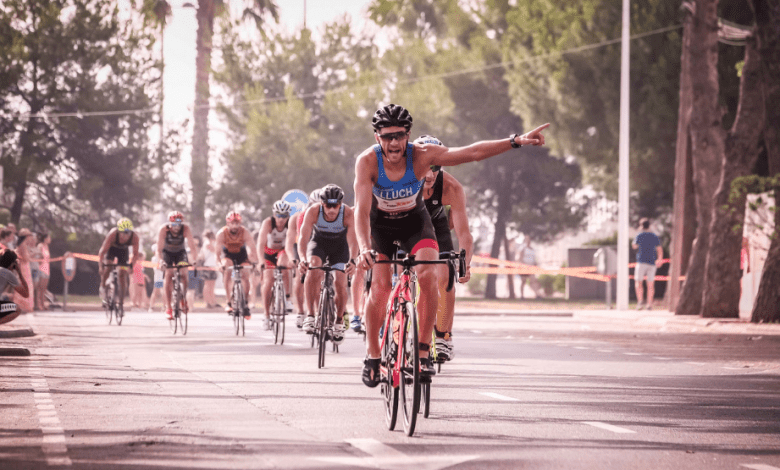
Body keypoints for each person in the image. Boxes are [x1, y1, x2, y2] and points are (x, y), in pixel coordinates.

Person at [355, 103, 549, 386]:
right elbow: (361, 211)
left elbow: (471, 152)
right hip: (380, 225)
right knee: (381, 286)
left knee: (428, 274)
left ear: (408, 135)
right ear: (377, 138)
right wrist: (363, 248)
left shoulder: (422, 156)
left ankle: (422, 352)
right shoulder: (367, 162)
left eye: (399, 135)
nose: (393, 143)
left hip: (413, 221)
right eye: (386, 136)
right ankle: (373, 357)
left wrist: (514, 141)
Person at [416, 135, 474, 362]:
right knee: (398, 272)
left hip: (436, 227)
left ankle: (443, 336)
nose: (430, 175)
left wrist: (465, 263)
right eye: (425, 168)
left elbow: (464, 234)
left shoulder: (451, 186)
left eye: (436, 167)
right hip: (405, 225)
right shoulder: (402, 180)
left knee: (447, 274)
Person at [298, 184, 357, 344]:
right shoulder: (313, 211)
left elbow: (353, 241)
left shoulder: (348, 214)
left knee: (340, 280)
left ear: (340, 204)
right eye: (328, 205)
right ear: (322, 203)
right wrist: (302, 258)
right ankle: (310, 315)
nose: (331, 209)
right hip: (319, 243)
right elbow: (303, 238)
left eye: (335, 205)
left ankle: (339, 321)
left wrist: (352, 260)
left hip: (340, 247)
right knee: (313, 266)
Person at [286, 189, 321, 329]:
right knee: (301, 276)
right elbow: (290, 241)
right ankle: (301, 311)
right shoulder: (298, 217)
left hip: (319, 244)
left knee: (319, 275)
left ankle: (320, 311)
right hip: (301, 244)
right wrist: (293, 258)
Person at [257, 200, 294, 331]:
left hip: (283, 252)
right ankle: (266, 315)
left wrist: (293, 260)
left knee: (284, 267)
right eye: (278, 215)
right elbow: (260, 243)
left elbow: (294, 243)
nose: (281, 219)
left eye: (284, 216)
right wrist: (261, 261)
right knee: (268, 281)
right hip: (268, 253)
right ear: (274, 214)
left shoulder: (290, 224)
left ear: (288, 216)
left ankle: (287, 298)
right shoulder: (268, 223)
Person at [155, 211, 199, 320]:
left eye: (178, 224)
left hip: (180, 253)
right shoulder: (163, 230)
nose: (176, 227)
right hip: (167, 254)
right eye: (174, 224)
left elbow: (192, 247)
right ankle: (169, 308)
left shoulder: (186, 229)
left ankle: (183, 299)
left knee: (184, 274)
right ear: (170, 223)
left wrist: (194, 259)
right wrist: (161, 261)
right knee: (169, 274)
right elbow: (159, 250)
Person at [216, 210, 260, 318]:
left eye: (237, 223)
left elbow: (252, 248)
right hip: (228, 255)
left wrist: (255, 261)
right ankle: (229, 302)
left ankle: (245, 302)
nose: (235, 226)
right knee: (227, 268)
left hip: (241, 255)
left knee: (245, 275)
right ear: (228, 223)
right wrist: (219, 264)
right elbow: (217, 252)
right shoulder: (221, 233)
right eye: (232, 223)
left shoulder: (244, 232)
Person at [97, 218, 141, 315]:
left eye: (127, 233)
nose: (125, 236)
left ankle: (121, 304)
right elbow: (102, 251)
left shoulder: (134, 237)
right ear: (118, 231)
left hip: (123, 253)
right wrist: (101, 266)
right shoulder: (113, 234)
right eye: (123, 233)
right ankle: (103, 286)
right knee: (108, 267)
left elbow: (135, 254)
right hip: (111, 250)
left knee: (122, 275)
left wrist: (131, 266)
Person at [632, 217, 663, 310]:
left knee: (638, 282)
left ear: (641, 226)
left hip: (641, 262)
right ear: (649, 225)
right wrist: (660, 259)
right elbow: (659, 249)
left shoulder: (639, 235)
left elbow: (634, 246)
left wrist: (638, 232)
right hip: (652, 263)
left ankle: (640, 302)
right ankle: (649, 304)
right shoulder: (654, 236)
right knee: (650, 284)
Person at [0, 249, 30, 325]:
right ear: (12, 264)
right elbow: (26, 294)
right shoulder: (7, 273)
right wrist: (19, 273)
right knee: (17, 308)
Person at [14, 228, 35, 313]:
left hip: (24, 266)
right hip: (24, 267)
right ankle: (23, 305)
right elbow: (25, 258)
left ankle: (23, 305)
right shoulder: (23, 244)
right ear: (26, 236)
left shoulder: (21, 244)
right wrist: (31, 257)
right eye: (29, 235)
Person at [200, 230, 219, 309]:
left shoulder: (209, 242)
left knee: (211, 285)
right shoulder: (207, 242)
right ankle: (207, 302)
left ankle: (213, 301)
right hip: (208, 265)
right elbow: (215, 250)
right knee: (208, 284)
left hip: (213, 265)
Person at [35, 232, 52, 311]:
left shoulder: (46, 246)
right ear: (45, 239)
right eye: (49, 238)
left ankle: (43, 303)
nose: (50, 239)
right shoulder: (40, 245)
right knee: (40, 287)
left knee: (44, 288)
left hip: (47, 268)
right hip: (41, 268)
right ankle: (38, 304)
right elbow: (38, 255)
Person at [148, 245, 164, 312]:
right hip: (158, 277)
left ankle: (164, 306)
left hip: (162, 277)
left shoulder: (162, 258)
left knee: (161, 292)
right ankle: (151, 307)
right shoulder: (154, 258)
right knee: (159, 292)